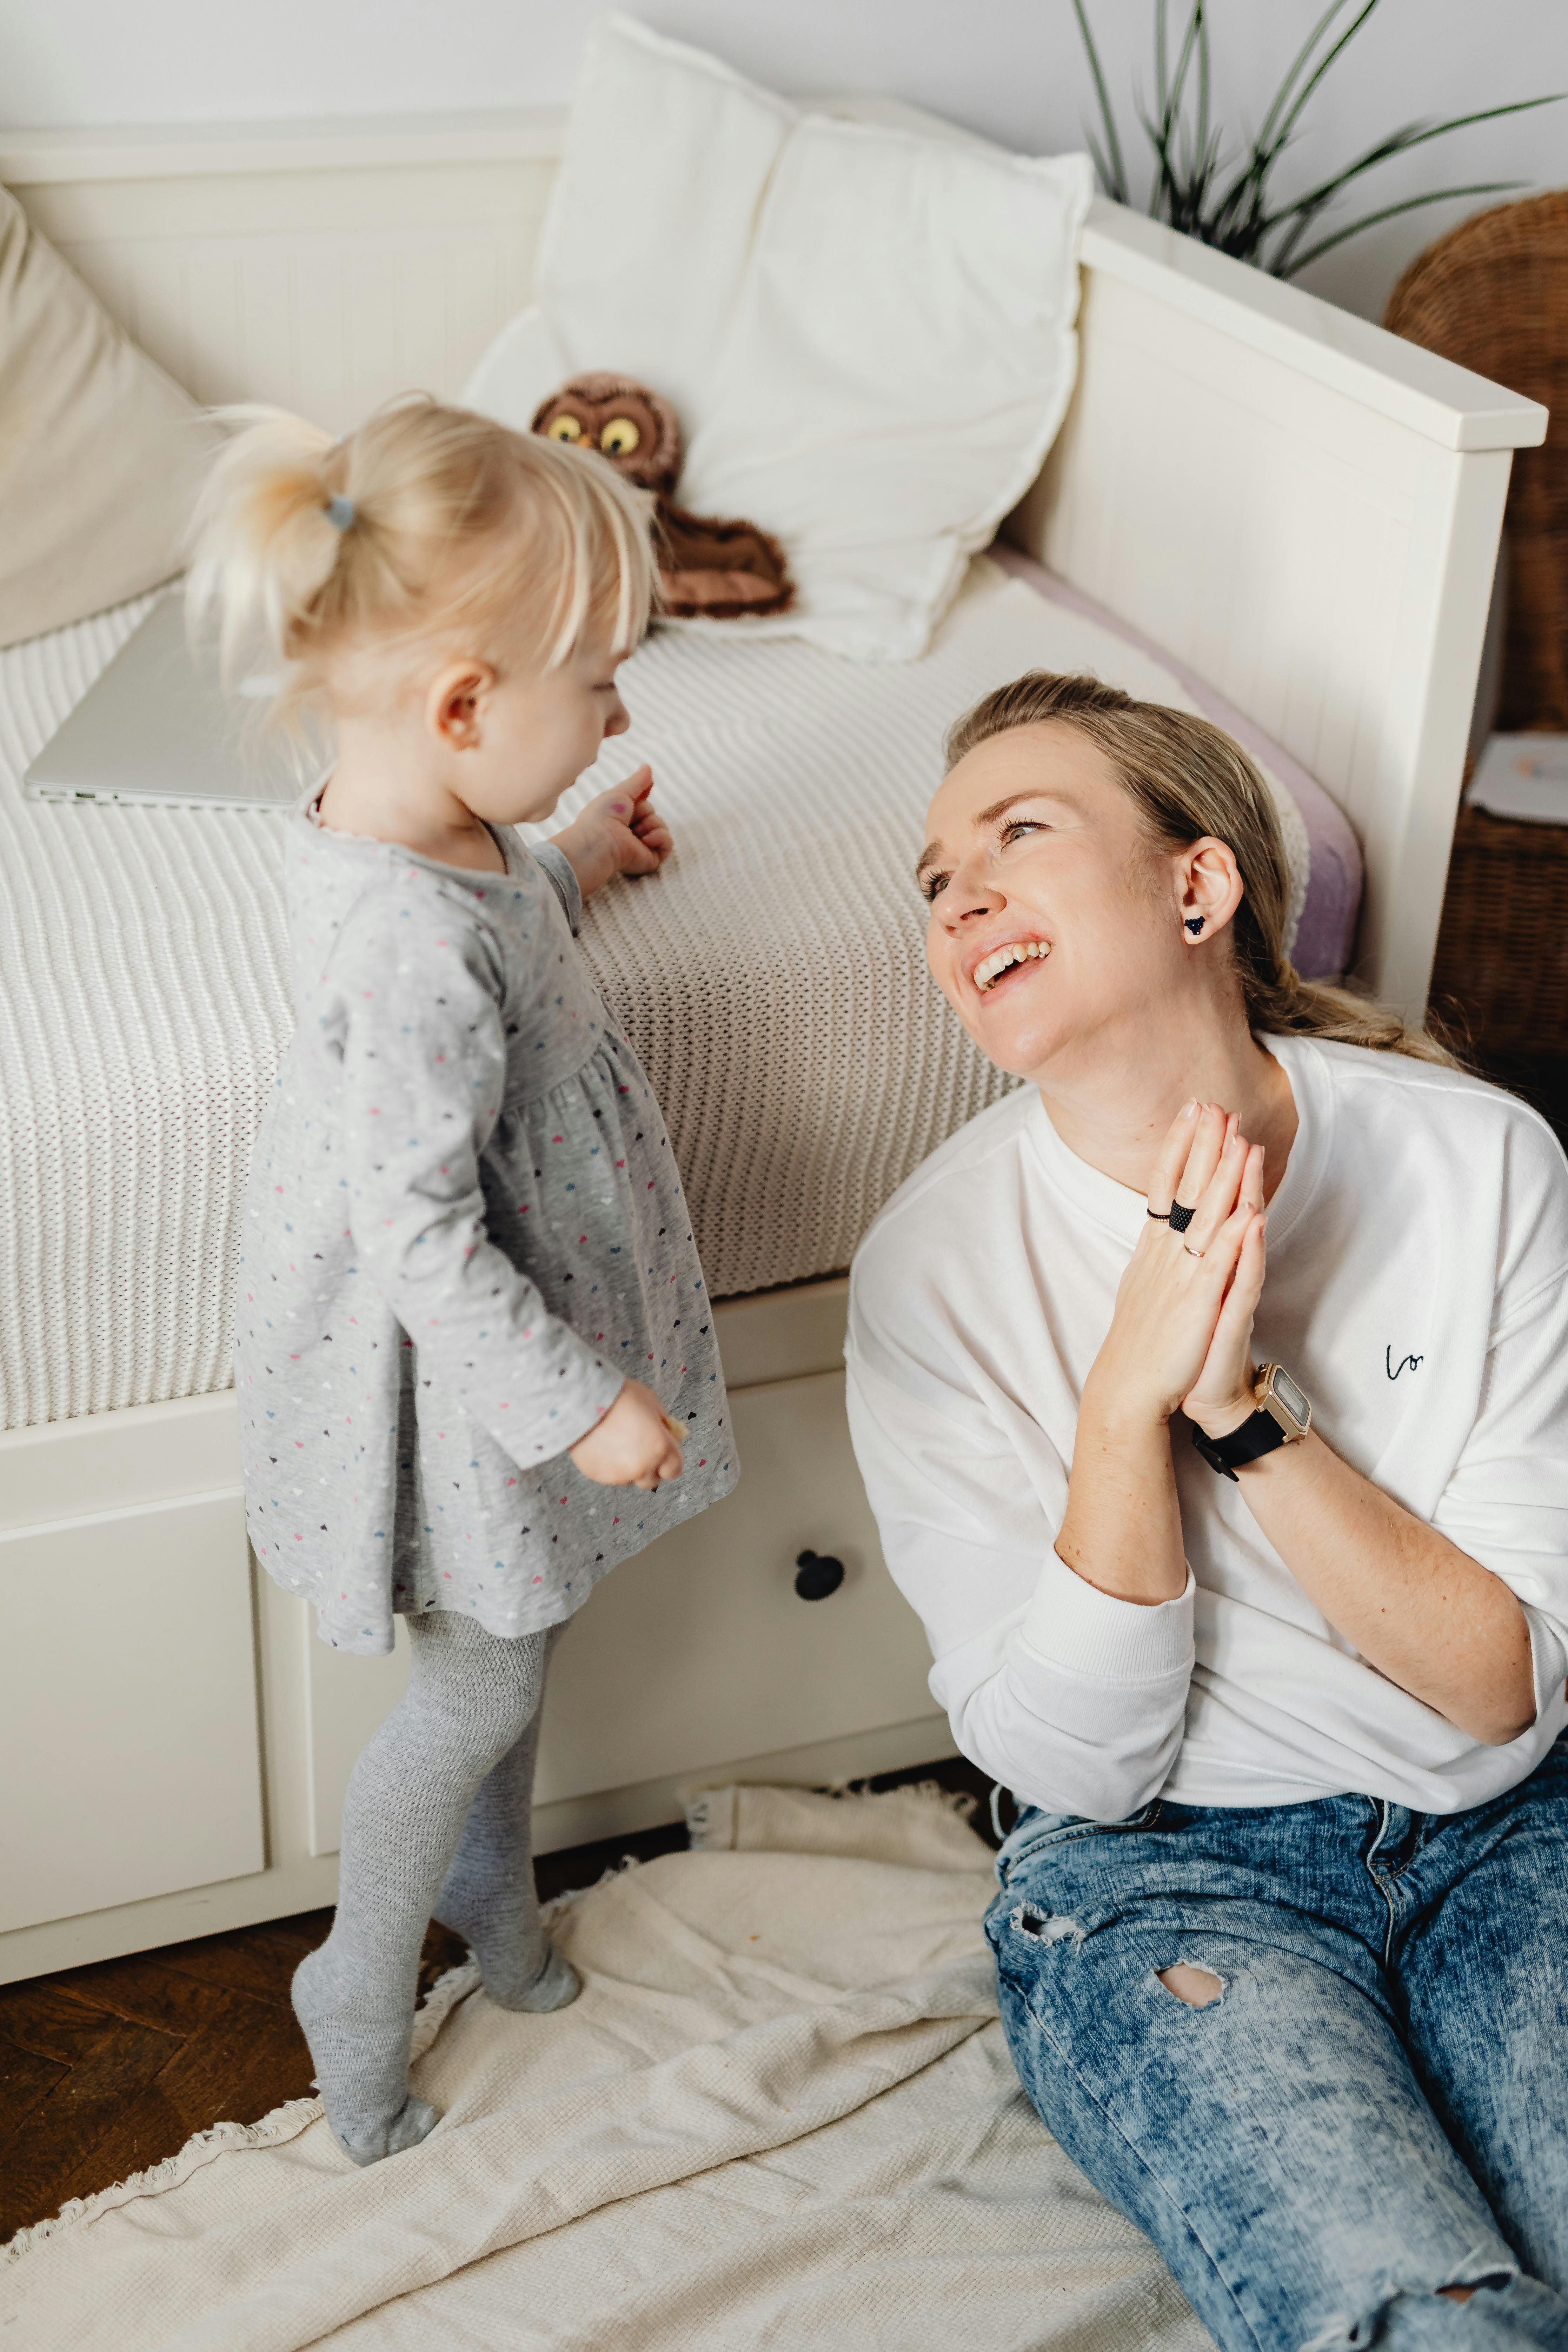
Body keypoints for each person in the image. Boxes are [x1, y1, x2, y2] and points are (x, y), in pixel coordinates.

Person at [846, 670, 1568, 2348]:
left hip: (1510, 1830)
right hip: (1164, 1879)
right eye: (937, 878)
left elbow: (1496, 1685)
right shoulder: (928, 1275)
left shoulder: (1485, 1170)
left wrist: (1237, 1410)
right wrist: (1123, 1406)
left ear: (1197, 886)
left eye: (1017, 833)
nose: (960, 895)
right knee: (1435, 2322)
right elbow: (1077, 1769)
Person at [191, 396, 736, 2165]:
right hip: (463, 1357)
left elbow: (487, 904)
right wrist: (579, 1395)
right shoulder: (406, 942)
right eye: (600, 682)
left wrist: (572, 857)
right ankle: (357, 1976)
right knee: (484, 1682)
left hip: (494, 1330)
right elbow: (424, 1230)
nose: (621, 711)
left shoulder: (423, 823)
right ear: (463, 708)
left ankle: (496, 1909)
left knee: (529, 1629)